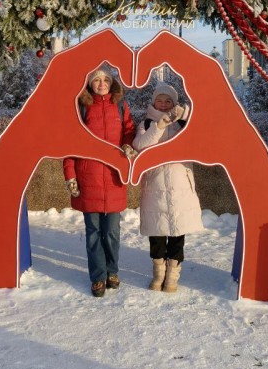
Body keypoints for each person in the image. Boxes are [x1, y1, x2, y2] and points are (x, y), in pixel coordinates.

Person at [64, 68, 135, 298]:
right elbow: (69, 143)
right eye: (96, 79)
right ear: (89, 83)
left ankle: (112, 271)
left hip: (114, 179)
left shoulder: (121, 106)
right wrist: (70, 175)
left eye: (105, 79)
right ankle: (98, 277)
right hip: (88, 178)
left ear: (112, 82)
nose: (101, 83)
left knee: (112, 231)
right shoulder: (81, 107)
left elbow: (129, 131)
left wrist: (128, 146)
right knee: (93, 232)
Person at [132, 83, 204, 293]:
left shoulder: (183, 123)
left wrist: (185, 115)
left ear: (174, 103)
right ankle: (158, 273)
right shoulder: (146, 122)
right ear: (153, 101)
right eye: (160, 100)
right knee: (157, 230)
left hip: (180, 181)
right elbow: (140, 145)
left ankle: (173, 274)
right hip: (155, 184)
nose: (163, 104)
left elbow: (198, 137)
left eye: (168, 101)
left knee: (177, 231)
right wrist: (159, 126)